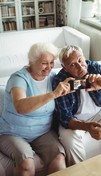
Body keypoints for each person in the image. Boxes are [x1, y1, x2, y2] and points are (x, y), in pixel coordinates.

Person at [0, 42, 73, 176]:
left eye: (52, 63)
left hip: (42, 132)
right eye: (44, 63)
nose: (49, 67)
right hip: (12, 132)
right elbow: (20, 106)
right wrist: (53, 94)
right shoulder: (18, 78)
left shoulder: (52, 78)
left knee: (59, 158)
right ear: (31, 61)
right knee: (26, 163)